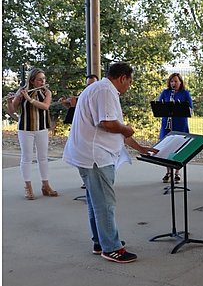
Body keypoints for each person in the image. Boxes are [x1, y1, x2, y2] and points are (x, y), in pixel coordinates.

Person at [63, 62, 156, 263]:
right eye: (129, 82)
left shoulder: (100, 89)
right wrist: (126, 129)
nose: (129, 86)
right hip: (95, 155)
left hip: (89, 153)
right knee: (105, 202)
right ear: (122, 78)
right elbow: (108, 123)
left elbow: (115, 128)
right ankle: (112, 248)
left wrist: (140, 148)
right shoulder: (105, 90)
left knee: (95, 201)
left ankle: (101, 241)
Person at [6, 68, 59, 200]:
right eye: (40, 79)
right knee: (27, 157)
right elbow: (12, 110)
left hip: (41, 128)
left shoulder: (46, 92)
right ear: (32, 80)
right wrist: (9, 101)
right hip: (25, 128)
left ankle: (45, 185)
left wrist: (29, 99)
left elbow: (45, 106)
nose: (43, 81)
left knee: (43, 157)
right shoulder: (22, 91)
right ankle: (28, 187)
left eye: (44, 79)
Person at [60, 74, 99, 190]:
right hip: (82, 135)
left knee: (93, 159)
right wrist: (68, 105)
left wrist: (73, 107)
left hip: (94, 135)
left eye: (92, 85)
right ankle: (87, 180)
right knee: (82, 158)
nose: (89, 88)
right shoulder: (84, 96)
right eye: (87, 85)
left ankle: (94, 181)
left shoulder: (100, 97)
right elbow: (75, 117)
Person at [158, 73, 193, 183]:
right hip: (167, 125)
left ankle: (177, 173)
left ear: (180, 82)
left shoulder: (185, 93)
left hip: (180, 124)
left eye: (176, 81)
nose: (173, 83)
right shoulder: (165, 92)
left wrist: (179, 106)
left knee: (179, 148)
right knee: (167, 148)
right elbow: (159, 106)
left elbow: (190, 109)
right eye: (171, 81)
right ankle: (168, 172)